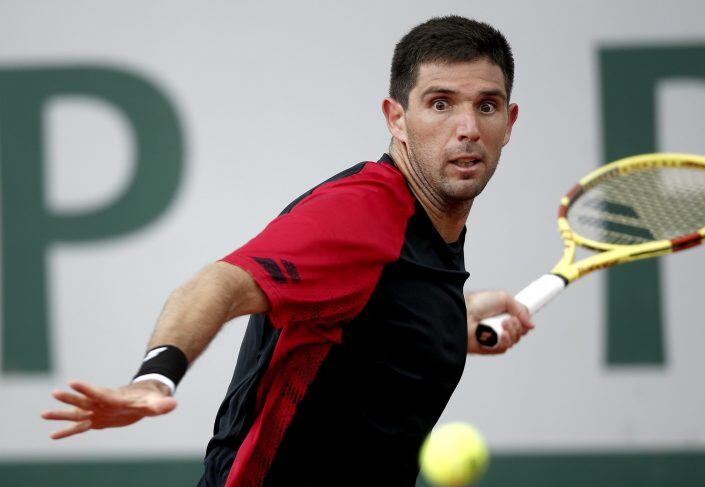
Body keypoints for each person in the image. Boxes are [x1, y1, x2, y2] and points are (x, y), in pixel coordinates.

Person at [42, 15, 534, 487]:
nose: (468, 127)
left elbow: (371, 313)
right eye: (441, 104)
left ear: (509, 124)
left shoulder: (429, 234)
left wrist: (451, 321)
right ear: (397, 119)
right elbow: (222, 282)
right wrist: (157, 377)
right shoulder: (363, 211)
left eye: (486, 106)